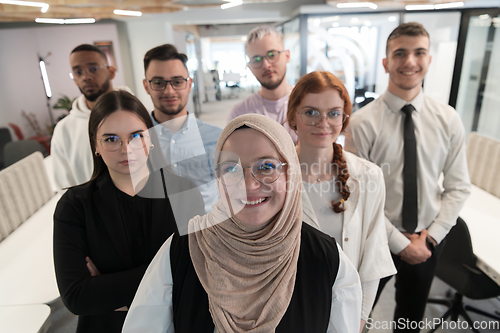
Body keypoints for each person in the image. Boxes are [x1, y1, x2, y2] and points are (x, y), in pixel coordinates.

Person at [122, 114, 362, 333]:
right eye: (231, 169)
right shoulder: (183, 250)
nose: (249, 184)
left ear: (291, 173)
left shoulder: (327, 261)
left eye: (266, 166)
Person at [346, 22, 471, 332]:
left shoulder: (448, 119)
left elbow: (458, 186)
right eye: (400, 53)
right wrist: (401, 243)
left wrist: (430, 237)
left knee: (410, 321)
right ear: (387, 62)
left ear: (429, 60)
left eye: (419, 53)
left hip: (428, 239)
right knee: (355, 317)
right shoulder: (362, 123)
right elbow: (357, 195)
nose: (410, 62)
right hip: (375, 238)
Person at [53, 90, 204, 333]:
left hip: (175, 324)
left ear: (151, 138)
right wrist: (166, 276)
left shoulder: (184, 192)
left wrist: (109, 292)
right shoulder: (74, 206)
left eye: (136, 136)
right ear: (96, 145)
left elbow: (199, 276)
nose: (126, 148)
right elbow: (76, 297)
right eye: (111, 139)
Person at [286, 71, 396, 332]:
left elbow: (373, 255)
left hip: (346, 310)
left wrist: (358, 320)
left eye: (334, 113)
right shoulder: (274, 176)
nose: (323, 122)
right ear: (293, 117)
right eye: (311, 112)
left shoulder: (369, 176)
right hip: (289, 309)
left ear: (345, 118)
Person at [143, 44, 222, 213]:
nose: (169, 91)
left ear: (189, 84)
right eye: (158, 82)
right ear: (146, 86)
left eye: (177, 82)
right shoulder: (136, 140)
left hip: (206, 234)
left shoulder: (217, 138)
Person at [51, 44, 125, 190]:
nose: (86, 77)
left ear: (111, 72)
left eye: (93, 69)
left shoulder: (138, 117)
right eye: (78, 72)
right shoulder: (64, 130)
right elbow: (65, 187)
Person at [227, 26, 298, 143]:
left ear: (287, 56)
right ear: (249, 67)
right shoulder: (240, 114)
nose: (266, 65)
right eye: (256, 59)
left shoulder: (308, 104)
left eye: (272, 55)